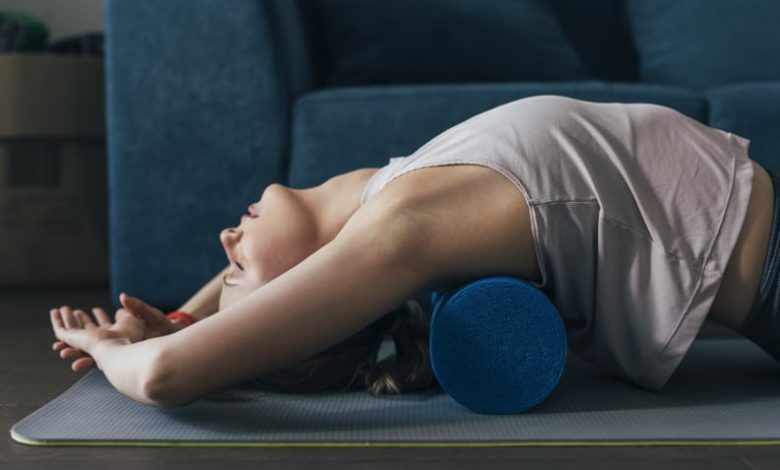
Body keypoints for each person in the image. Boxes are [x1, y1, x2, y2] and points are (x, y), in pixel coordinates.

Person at [48, 95, 779, 407]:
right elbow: (164, 379)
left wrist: (186, 317)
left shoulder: (388, 190)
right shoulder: (407, 230)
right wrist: (109, 347)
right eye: (240, 268)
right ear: (327, 286)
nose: (226, 241)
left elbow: (203, 326)